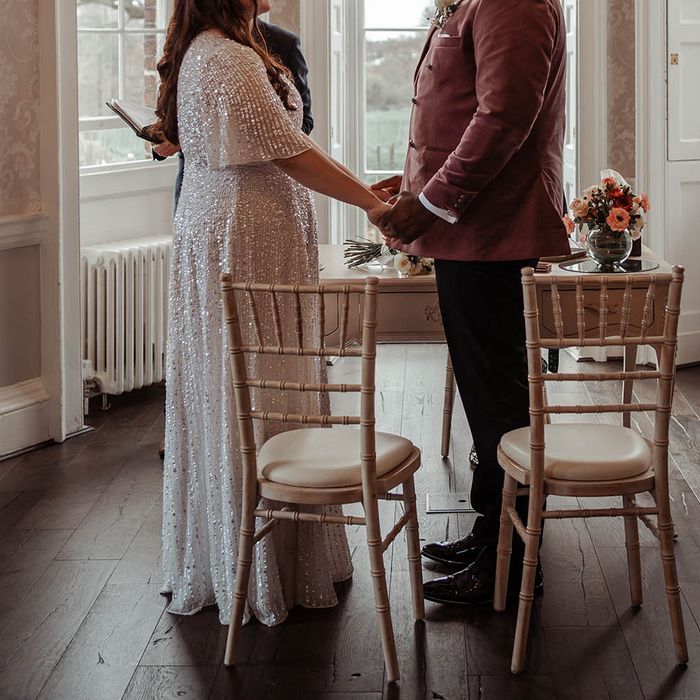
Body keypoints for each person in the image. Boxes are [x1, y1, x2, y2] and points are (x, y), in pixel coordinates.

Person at [149, 0, 390, 626]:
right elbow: (290, 152)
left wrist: (364, 189)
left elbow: (291, 143)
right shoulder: (226, 58)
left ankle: (271, 543)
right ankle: (259, 560)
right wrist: (371, 204)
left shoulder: (221, 48)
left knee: (254, 380)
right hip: (244, 239)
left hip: (244, 232)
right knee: (253, 383)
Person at [376, 0, 569, 606]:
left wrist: (429, 201)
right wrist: (413, 187)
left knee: (501, 404)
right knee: (489, 401)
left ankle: (511, 564)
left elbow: (503, 116)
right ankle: (494, 534)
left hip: (492, 232)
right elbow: (458, 112)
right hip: (471, 233)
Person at [154, 0, 313, 211]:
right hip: (208, 193)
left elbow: (302, 124)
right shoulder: (197, 45)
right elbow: (183, 112)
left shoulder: (283, 43)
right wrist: (172, 134)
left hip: (262, 194)